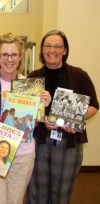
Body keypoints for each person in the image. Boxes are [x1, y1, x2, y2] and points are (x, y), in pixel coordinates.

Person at [0, 32, 51, 204]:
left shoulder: (30, 86)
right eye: (5, 54)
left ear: (20, 57)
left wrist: (43, 105)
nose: (9, 59)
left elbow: (35, 121)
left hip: (22, 153)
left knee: (15, 201)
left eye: (14, 55)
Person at [27, 30, 99, 204]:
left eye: (58, 46)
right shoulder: (33, 77)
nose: (52, 50)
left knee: (61, 192)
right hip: (40, 141)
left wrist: (76, 119)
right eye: (48, 46)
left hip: (69, 142)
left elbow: (94, 106)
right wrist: (40, 118)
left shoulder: (79, 75)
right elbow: (26, 110)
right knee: (37, 190)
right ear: (42, 50)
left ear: (65, 50)